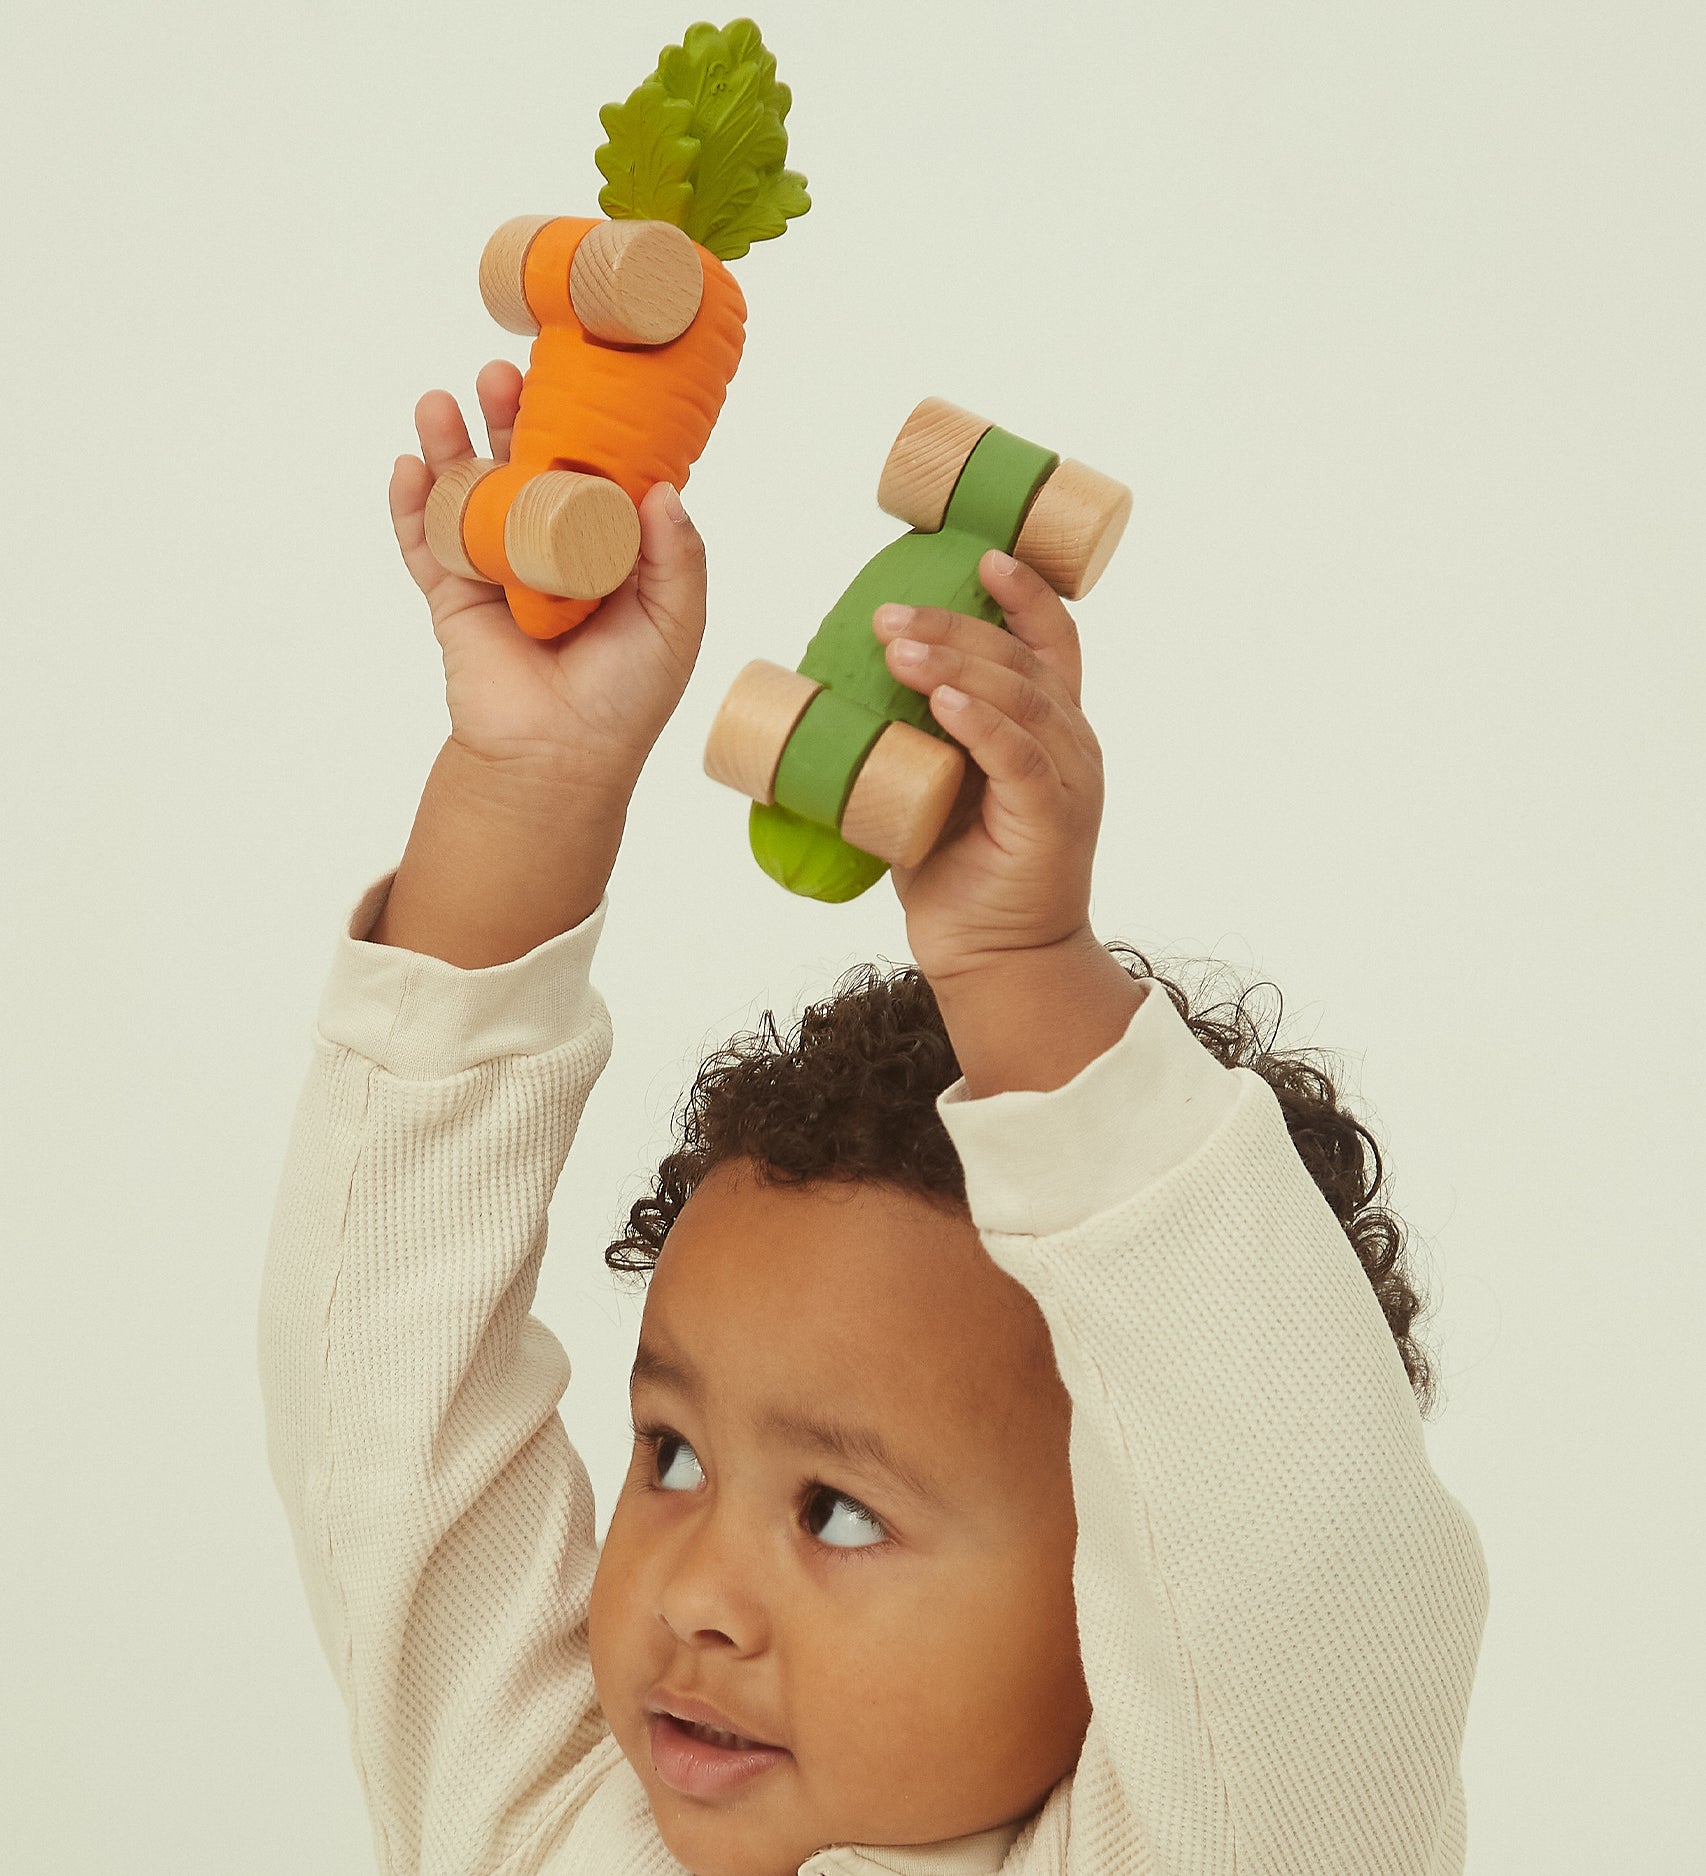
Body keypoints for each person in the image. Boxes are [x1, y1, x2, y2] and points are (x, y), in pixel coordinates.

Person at [260, 359, 1487, 1876]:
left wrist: (1023, 974)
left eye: (838, 1512)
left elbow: (1299, 1548)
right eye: (672, 1455)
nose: (697, 1593)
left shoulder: (1222, 1842)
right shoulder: (537, 1820)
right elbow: (383, 1376)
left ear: (1126, 1589)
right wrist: (532, 779)